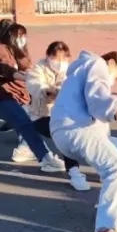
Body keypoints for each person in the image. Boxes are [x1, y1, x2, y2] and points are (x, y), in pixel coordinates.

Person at [50, 51, 117, 232]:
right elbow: (97, 95)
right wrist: (114, 110)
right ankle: (106, 229)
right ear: (111, 62)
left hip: (66, 132)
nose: (112, 81)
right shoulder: (97, 64)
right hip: (77, 130)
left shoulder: (79, 70)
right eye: (116, 75)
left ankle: (115, 201)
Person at [0, 23, 66, 174]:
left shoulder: (17, 50)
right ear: (11, 36)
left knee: (31, 118)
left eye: (24, 36)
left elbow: (26, 65)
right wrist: (24, 76)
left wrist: (35, 75)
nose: (22, 39)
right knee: (25, 122)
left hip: (17, 97)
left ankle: (25, 148)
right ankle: (46, 159)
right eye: (19, 36)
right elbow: (5, 68)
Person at [24, 41, 92, 191]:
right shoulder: (38, 69)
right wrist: (47, 91)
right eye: (56, 58)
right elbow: (34, 85)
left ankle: (101, 165)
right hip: (41, 116)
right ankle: (74, 173)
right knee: (65, 136)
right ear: (48, 57)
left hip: (63, 115)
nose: (60, 62)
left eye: (64, 58)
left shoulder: (70, 71)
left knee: (84, 135)